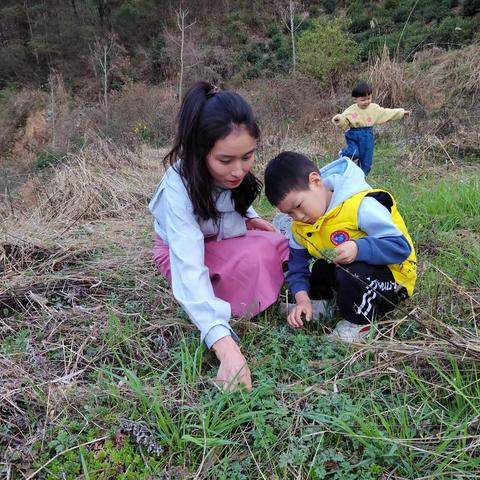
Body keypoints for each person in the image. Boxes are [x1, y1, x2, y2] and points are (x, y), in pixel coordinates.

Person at [148, 81, 289, 390]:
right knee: (256, 256)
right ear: (200, 151)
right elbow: (188, 265)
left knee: (276, 239)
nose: (239, 170)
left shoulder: (234, 175)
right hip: (181, 255)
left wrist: (251, 218)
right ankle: (232, 304)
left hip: (222, 243)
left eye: (248, 157)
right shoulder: (177, 188)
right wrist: (225, 347)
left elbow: (230, 203)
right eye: (226, 161)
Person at [264, 152, 417, 342]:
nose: (299, 217)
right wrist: (302, 298)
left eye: (299, 205)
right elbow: (298, 267)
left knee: (351, 270)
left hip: (393, 281)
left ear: (315, 181)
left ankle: (360, 322)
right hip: (354, 274)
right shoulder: (300, 228)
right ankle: (319, 306)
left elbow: (400, 248)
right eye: (289, 213)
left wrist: (358, 248)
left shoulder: (361, 205)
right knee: (320, 265)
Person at [332, 81, 411, 175]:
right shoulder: (350, 110)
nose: (367, 102)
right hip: (354, 134)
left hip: (367, 136)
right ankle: (343, 154)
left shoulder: (374, 109)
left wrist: (402, 113)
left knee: (366, 160)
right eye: (363, 100)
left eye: (369, 98)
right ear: (355, 99)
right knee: (354, 153)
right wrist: (338, 120)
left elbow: (386, 113)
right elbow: (343, 121)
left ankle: (361, 177)